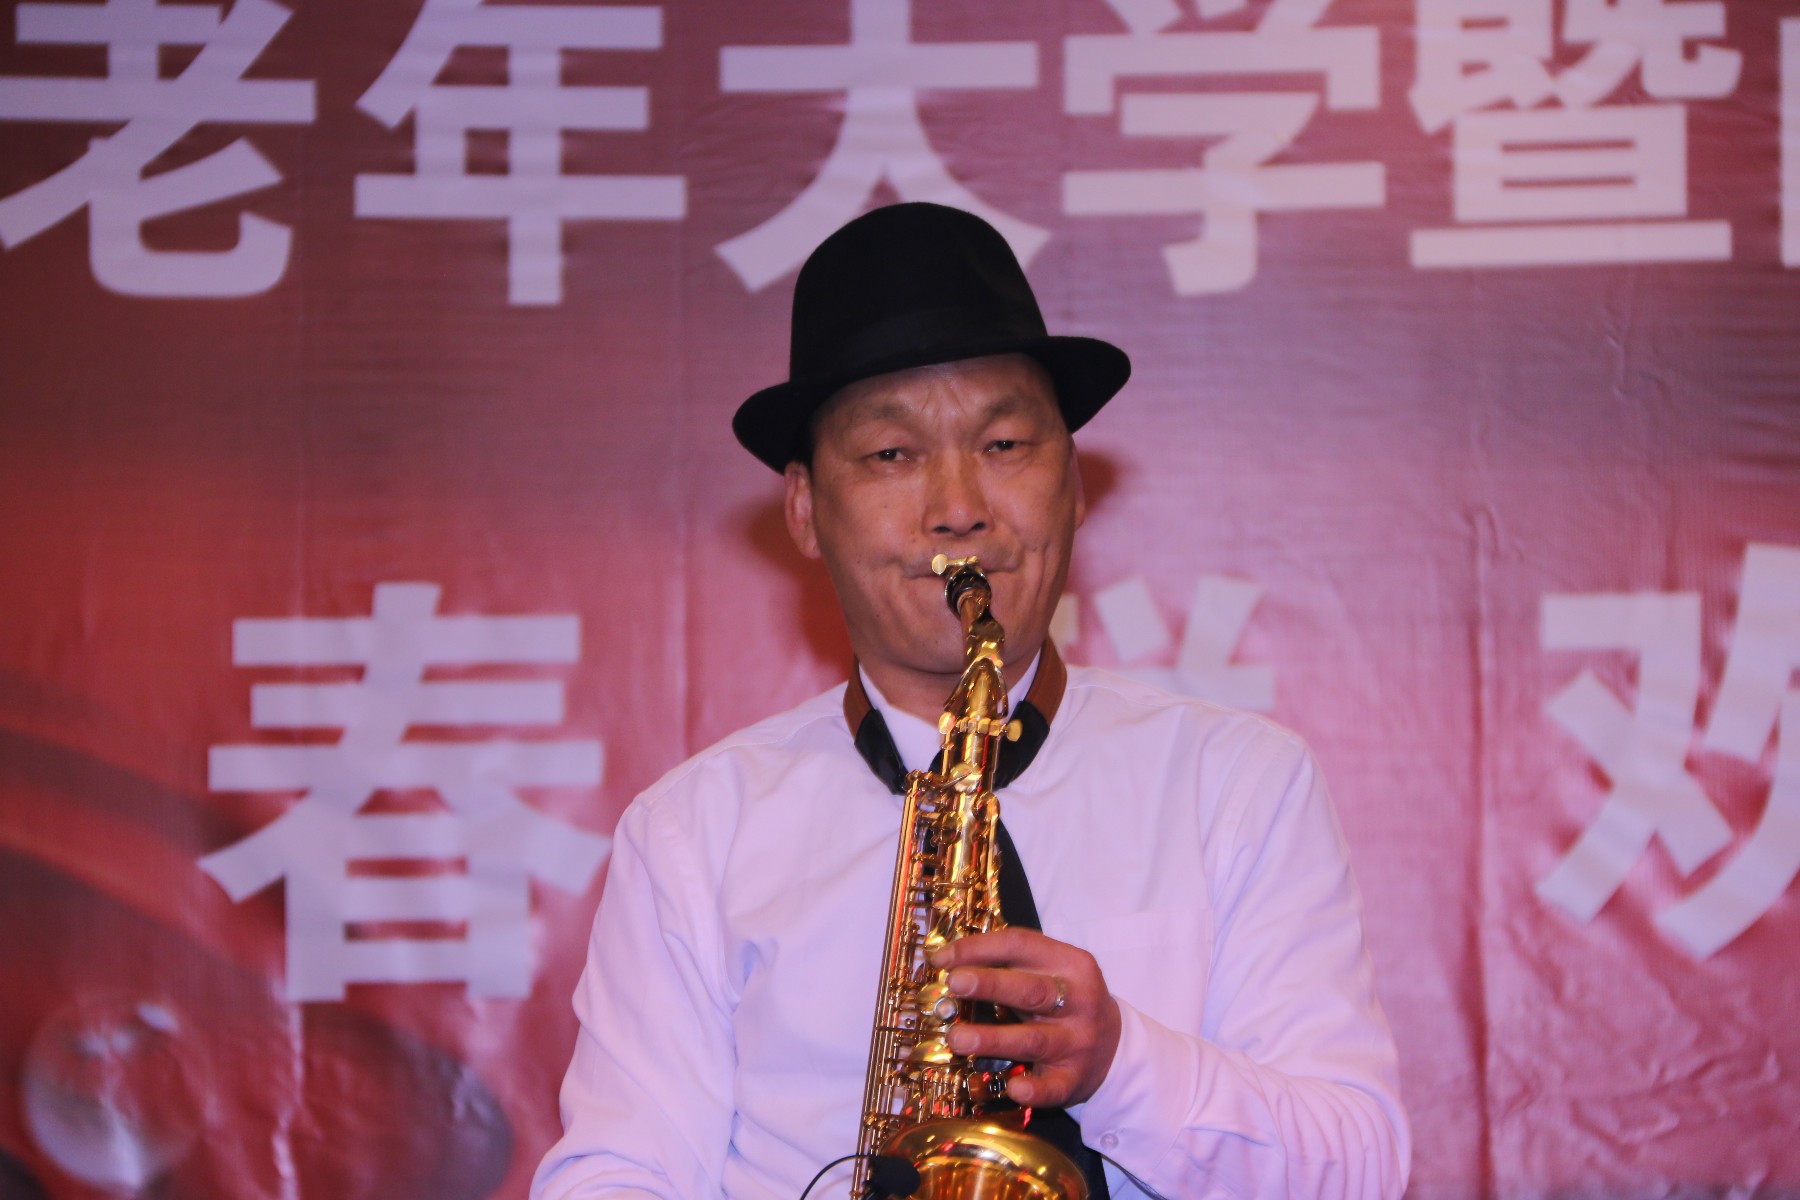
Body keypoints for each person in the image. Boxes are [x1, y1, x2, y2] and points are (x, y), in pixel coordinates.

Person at [532, 202, 1410, 1200]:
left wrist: (1122, 1063)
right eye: (891, 454)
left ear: (1074, 482)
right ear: (805, 509)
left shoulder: (1240, 783)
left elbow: (1361, 1165)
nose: (959, 508)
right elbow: (615, 1177)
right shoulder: (694, 831)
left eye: (1004, 443)